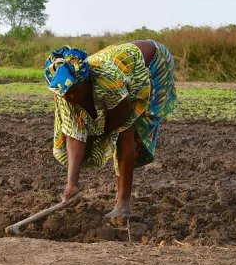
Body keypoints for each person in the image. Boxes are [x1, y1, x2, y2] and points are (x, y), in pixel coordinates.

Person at [44, 40, 178, 218]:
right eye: (62, 92)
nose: (67, 97)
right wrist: (72, 183)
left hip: (154, 62)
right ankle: (119, 199)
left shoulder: (108, 83)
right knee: (98, 133)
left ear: (84, 83)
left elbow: (121, 121)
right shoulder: (64, 94)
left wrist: (96, 136)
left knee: (126, 134)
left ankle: (123, 205)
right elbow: (74, 133)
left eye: (71, 91)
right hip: (123, 65)